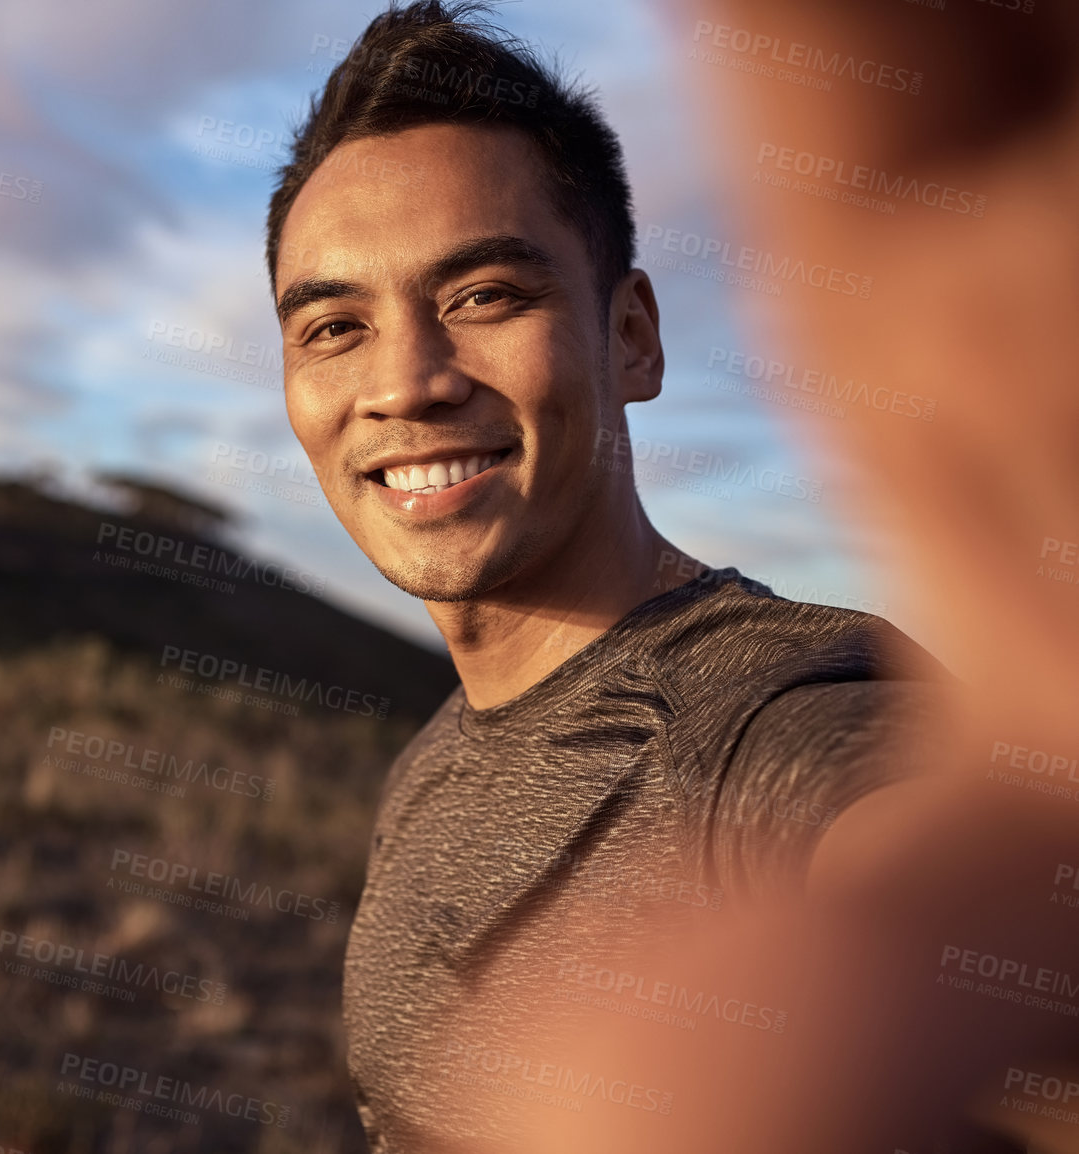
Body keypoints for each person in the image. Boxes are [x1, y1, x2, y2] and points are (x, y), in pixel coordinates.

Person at [264, 3, 952, 1148]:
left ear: (631, 335)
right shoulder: (433, 760)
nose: (407, 383)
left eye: (484, 296)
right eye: (334, 326)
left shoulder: (770, 718)